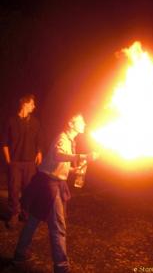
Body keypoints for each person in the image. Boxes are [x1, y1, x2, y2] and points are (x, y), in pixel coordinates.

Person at [13, 113, 98, 273]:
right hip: (49, 186)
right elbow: (58, 155)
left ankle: (19, 255)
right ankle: (62, 268)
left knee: (33, 220)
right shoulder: (63, 138)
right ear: (71, 124)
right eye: (81, 121)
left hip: (49, 182)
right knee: (58, 227)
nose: (85, 123)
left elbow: (58, 163)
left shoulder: (70, 140)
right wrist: (83, 156)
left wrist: (73, 169)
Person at [1, 94, 43, 227]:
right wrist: (9, 161)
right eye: (32, 104)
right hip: (15, 162)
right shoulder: (11, 121)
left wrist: (39, 152)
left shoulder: (35, 122)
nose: (34, 106)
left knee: (28, 189)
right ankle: (14, 213)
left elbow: (39, 140)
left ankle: (25, 213)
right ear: (24, 104)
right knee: (13, 189)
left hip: (30, 162)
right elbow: (4, 142)